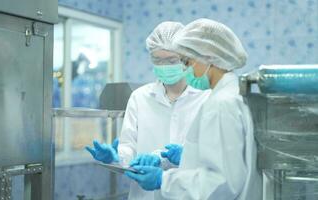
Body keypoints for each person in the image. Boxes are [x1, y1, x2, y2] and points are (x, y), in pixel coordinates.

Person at [125, 18, 263, 200]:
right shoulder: (232, 94)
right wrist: (189, 156)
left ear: (208, 58)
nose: (185, 69)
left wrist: (163, 180)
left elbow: (221, 183)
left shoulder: (221, 104)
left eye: (187, 62)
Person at [86, 21, 211, 200]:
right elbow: (129, 146)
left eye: (171, 60)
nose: (164, 66)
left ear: (187, 59)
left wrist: (186, 157)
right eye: (158, 60)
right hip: (144, 195)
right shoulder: (140, 97)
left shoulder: (205, 99)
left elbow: (214, 158)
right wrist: (115, 157)